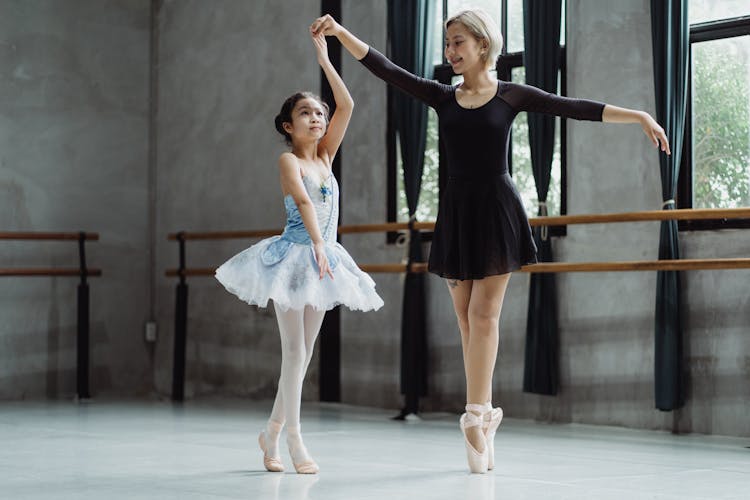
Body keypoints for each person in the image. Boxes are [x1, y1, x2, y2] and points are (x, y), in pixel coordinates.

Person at [310, 9, 670, 474]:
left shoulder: (511, 95)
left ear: (483, 44)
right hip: (457, 212)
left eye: (458, 42)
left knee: (484, 314)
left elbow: (574, 106)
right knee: (465, 320)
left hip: (498, 209)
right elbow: (386, 68)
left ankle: (475, 416)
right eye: (446, 45)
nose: (450, 52)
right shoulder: (442, 97)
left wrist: (638, 115)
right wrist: (339, 33)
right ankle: (484, 413)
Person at [215, 31, 384, 474]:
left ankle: (269, 431)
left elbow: (347, 105)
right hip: (294, 259)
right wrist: (316, 244)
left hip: (323, 256)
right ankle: (294, 440)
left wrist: (325, 59)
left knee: (303, 355)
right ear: (288, 125)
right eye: (305, 112)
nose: (316, 117)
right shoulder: (289, 161)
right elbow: (306, 203)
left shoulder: (326, 156)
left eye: (318, 112)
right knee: (294, 351)